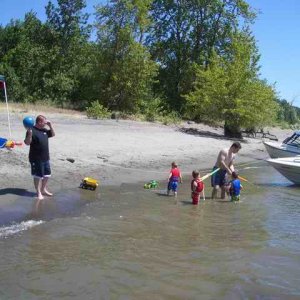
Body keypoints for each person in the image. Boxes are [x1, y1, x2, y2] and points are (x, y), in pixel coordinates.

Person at [24, 115, 55, 200]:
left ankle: (43, 189)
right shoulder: (31, 130)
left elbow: (52, 134)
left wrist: (50, 125)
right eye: (45, 122)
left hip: (45, 157)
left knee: (47, 175)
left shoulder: (44, 130)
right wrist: (29, 134)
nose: (46, 123)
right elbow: (27, 143)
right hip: (36, 158)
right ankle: (38, 193)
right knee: (38, 176)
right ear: (40, 122)